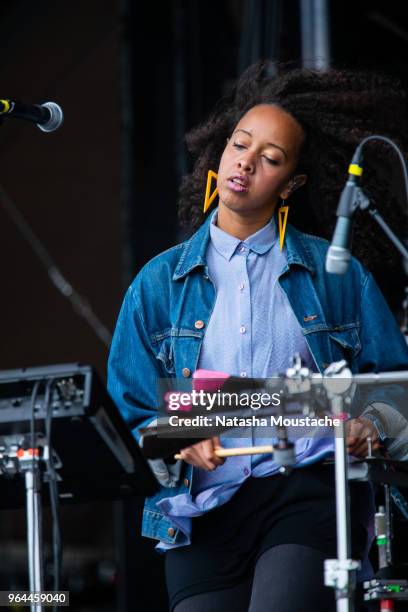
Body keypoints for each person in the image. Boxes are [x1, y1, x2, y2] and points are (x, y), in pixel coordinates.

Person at [108, 62, 408, 612]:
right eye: (240, 144)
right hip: (204, 509)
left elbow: (395, 388)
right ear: (219, 155)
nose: (247, 161)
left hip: (309, 491)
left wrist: (373, 423)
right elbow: (127, 413)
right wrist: (178, 436)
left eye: (270, 158)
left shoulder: (333, 274)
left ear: (291, 182)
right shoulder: (158, 282)